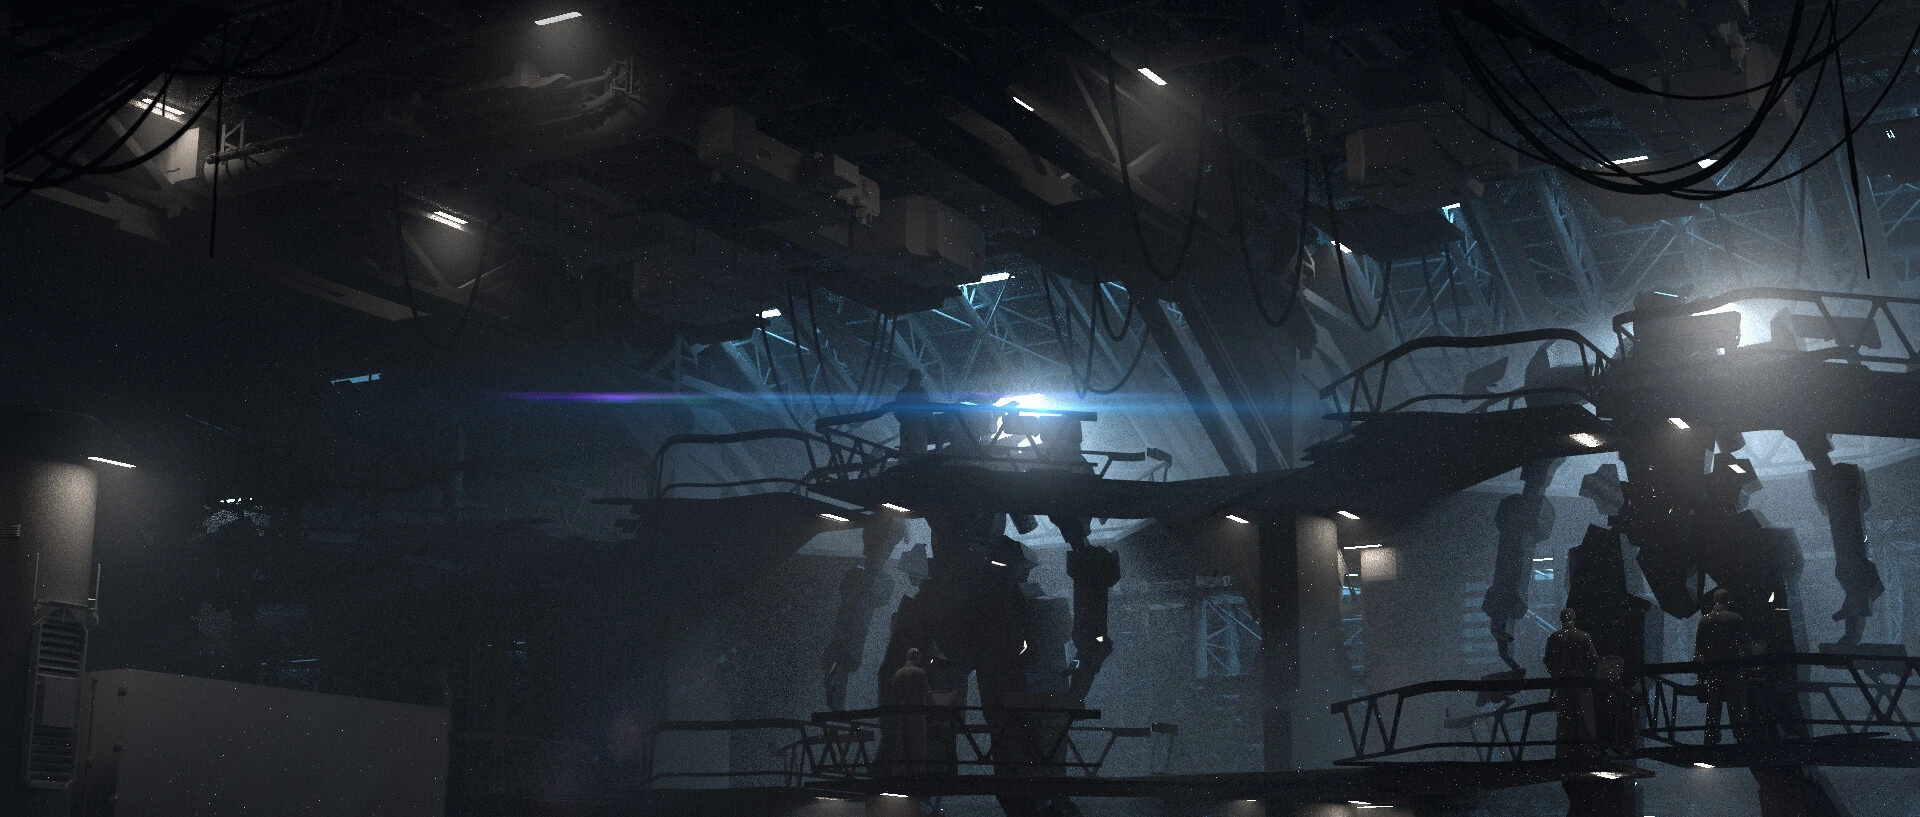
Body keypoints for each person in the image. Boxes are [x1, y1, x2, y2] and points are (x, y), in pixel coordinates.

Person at [1695, 588, 1752, 744]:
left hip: (1713, 670)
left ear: (1714, 601)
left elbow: (1699, 650)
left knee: (1713, 706)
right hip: (1733, 669)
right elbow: (1746, 646)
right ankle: (1741, 737)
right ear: (1728, 601)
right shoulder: (1736, 618)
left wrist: (1700, 677)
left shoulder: (1704, 620)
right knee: (1737, 705)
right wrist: (1749, 665)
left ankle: (1711, 737)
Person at [1544, 607, 1601, 755]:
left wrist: (1556, 675)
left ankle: (1564, 753)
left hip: (1562, 685)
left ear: (1561, 619)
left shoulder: (1553, 637)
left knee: (1564, 722)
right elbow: (1594, 660)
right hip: (1581, 683)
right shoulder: (1583, 636)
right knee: (1586, 720)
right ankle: (1589, 753)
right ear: (1575, 619)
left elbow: (1548, 662)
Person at [888, 648, 933, 775]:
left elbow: (894, 694)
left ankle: (898, 774)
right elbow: (927, 694)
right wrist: (935, 708)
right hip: (917, 714)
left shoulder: (898, 673)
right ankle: (918, 775)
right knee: (918, 746)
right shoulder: (920, 672)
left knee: (901, 746)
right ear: (918, 657)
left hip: (902, 714)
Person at [894, 370, 930, 456]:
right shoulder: (921, 391)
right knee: (919, 453)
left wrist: (904, 422)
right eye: (919, 378)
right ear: (916, 378)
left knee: (906, 452)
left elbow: (897, 412)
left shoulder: (902, 392)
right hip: (918, 427)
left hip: (906, 427)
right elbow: (928, 408)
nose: (920, 380)